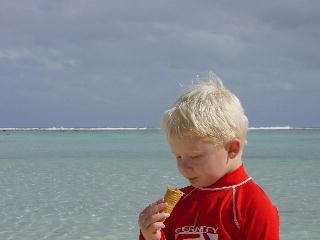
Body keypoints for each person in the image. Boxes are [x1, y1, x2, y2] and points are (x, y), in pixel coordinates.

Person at [138, 73, 279, 240]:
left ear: (232, 149)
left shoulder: (253, 205)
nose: (183, 167)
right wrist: (149, 235)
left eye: (195, 156)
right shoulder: (179, 203)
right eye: (178, 157)